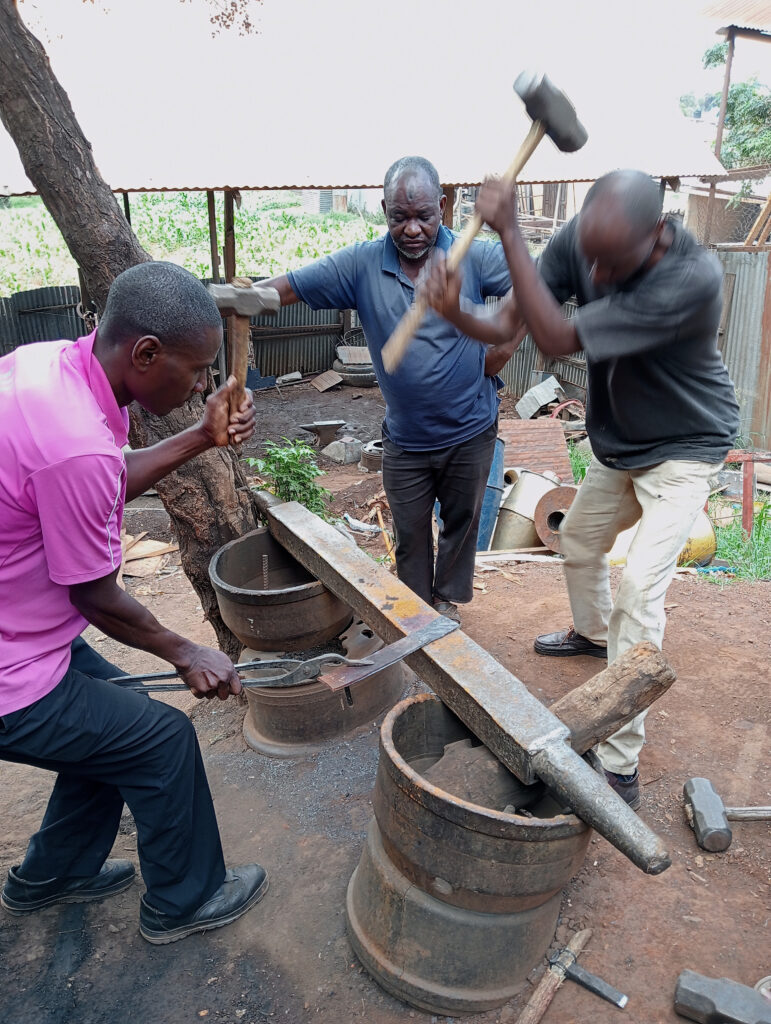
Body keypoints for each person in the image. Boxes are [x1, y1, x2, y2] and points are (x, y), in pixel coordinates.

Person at [421, 170, 739, 808]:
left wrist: (510, 227)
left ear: (657, 232)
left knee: (640, 593)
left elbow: (556, 337)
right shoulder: (584, 242)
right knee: (579, 544)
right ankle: (594, 638)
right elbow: (514, 318)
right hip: (620, 443)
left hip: (684, 447)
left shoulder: (690, 280)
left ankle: (619, 762)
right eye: (590, 258)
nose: (597, 271)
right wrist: (458, 311)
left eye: (612, 263)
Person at [0, 261, 269, 943]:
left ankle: (51, 874)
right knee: (159, 739)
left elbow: (103, 473)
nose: (203, 384)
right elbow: (93, 594)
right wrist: (185, 650)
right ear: (145, 353)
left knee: (116, 728)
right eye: (197, 369)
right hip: (12, 665)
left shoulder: (52, 367)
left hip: (23, 631)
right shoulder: (74, 444)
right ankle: (186, 900)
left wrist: (202, 434)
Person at [262, 156, 518, 623]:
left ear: (444, 205)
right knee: (410, 534)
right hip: (407, 440)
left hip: (470, 431)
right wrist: (241, 298)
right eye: (400, 217)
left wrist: (504, 346)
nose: (413, 229)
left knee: (460, 527)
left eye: (424, 216)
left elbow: (537, 280)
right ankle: (420, 614)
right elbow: (288, 288)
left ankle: (447, 603)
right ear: (384, 210)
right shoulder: (361, 264)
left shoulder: (472, 256)